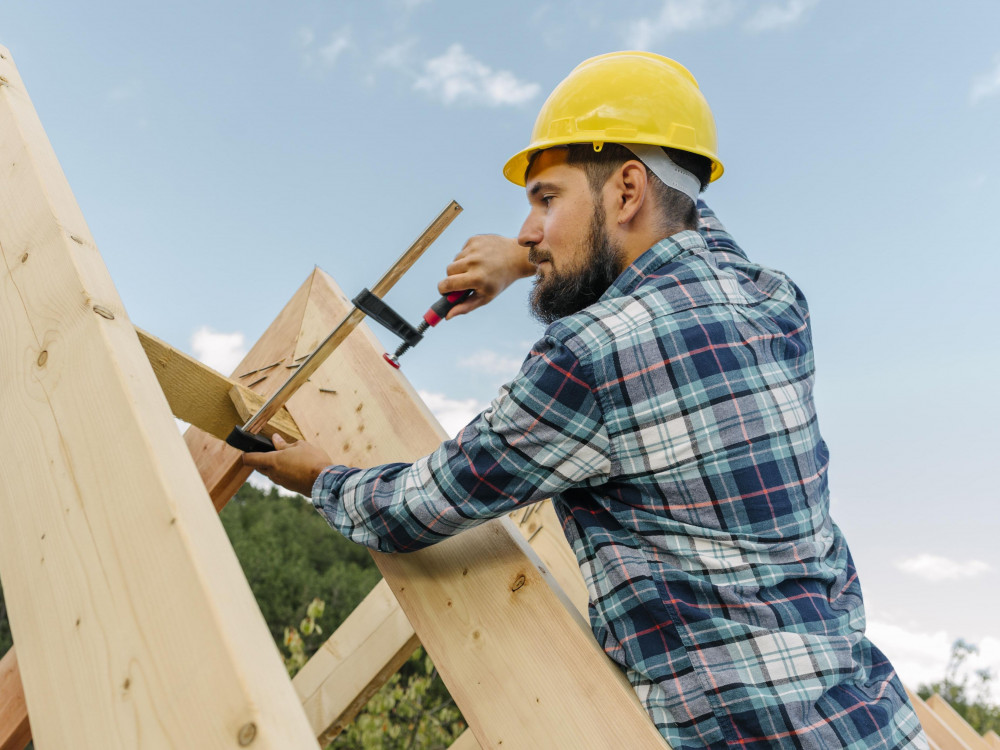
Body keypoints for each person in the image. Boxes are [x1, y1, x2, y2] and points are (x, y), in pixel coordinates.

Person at [243, 52, 928, 749]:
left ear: (627, 190)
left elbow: (420, 506)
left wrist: (321, 477)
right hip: (875, 722)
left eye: (545, 199)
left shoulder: (591, 354)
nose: (529, 229)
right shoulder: (774, 300)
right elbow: (686, 219)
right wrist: (535, 258)